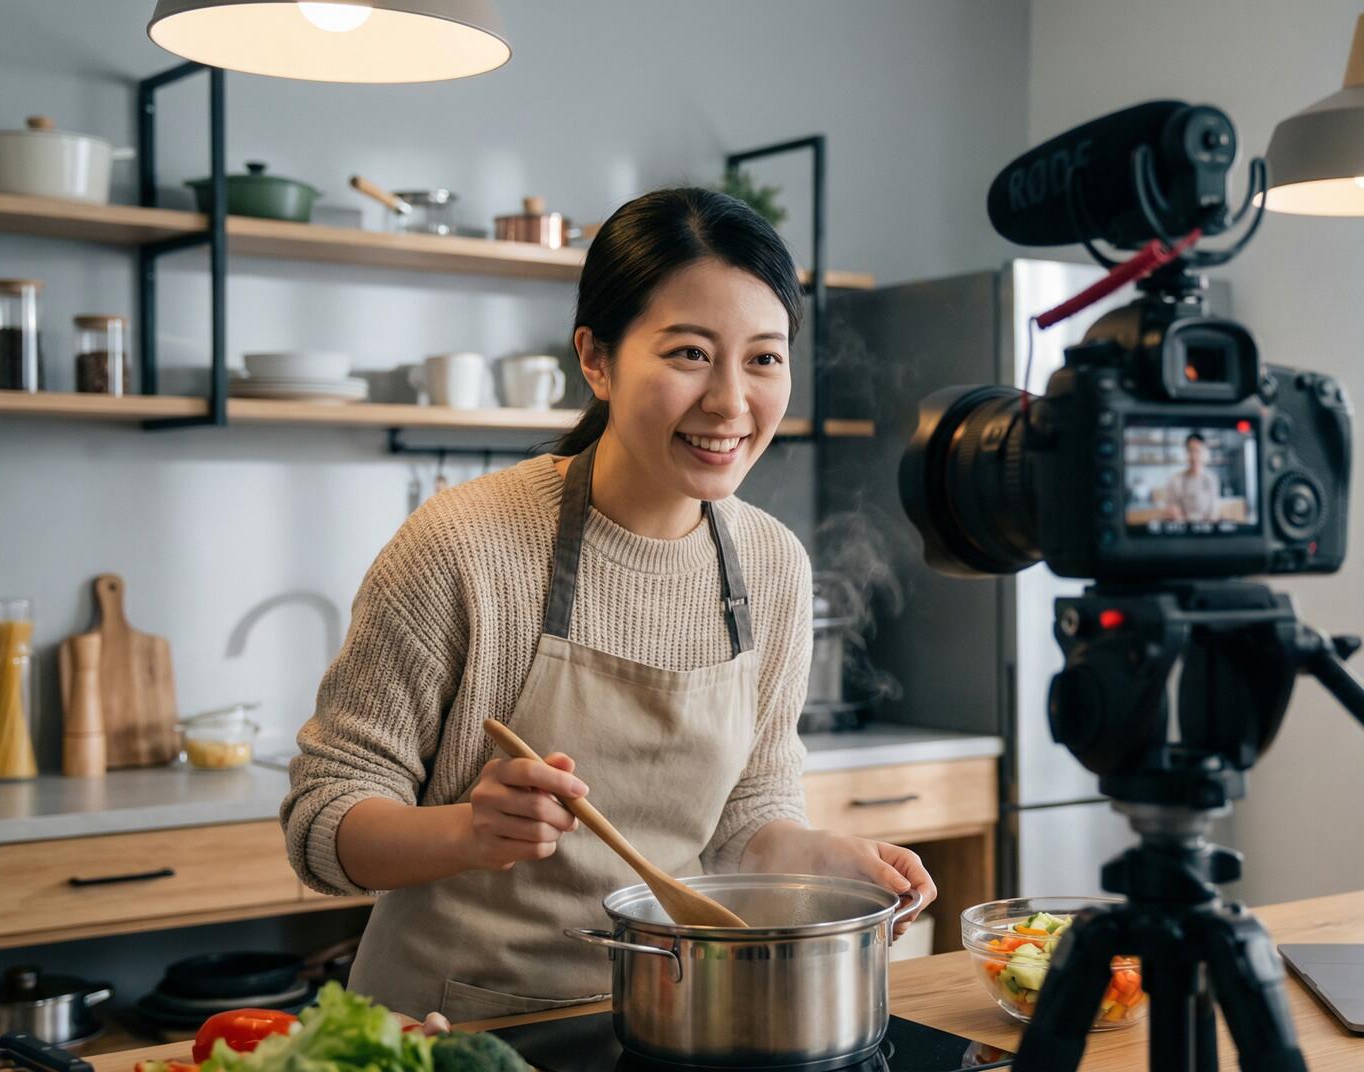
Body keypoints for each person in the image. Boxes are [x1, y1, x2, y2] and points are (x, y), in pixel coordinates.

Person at [282, 188, 937, 1021]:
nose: (730, 401)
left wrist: (823, 860)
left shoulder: (772, 565)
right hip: (448, 1024)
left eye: (764, 359)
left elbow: (747, 815)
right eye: (690, 353)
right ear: (596, 359)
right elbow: (321, 822)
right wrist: (466, 833)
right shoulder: (463, 545)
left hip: (669, 1017)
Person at [1155, 434, 1222, 523]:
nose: (1194, 456)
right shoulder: (1175, 480)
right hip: (1182, 527)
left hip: (1207, 527)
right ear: (1186, 452)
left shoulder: (1211, 479)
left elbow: (1214, 512)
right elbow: (1172, 507)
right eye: (1190, 450)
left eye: (1197, 451)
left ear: (1204, 452)